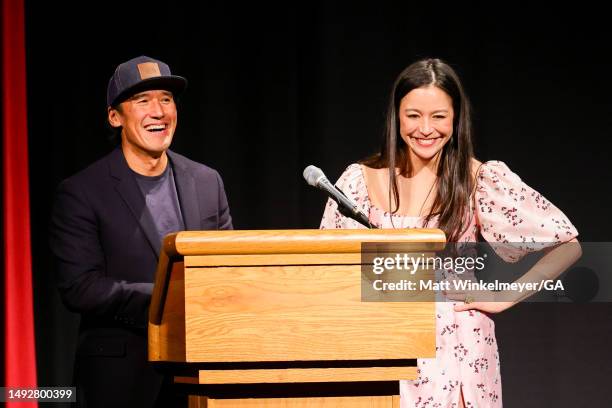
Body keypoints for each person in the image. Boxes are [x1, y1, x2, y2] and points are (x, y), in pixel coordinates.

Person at [319, 58, 581, 407]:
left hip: (461, 351)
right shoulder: (358, 182)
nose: (425, 128)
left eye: (439, 116)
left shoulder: (479, 180)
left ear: (456, 118)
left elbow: (567, 244)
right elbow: (323, 268)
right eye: (413, 115)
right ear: (396, 116)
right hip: (382, 347)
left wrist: (505, 296)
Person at [50, 56, 233, 407]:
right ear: (114, 116)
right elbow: (80, 288)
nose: (158, 111)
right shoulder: (83, 191)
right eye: (142, 100)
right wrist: (165, 297)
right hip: (121, 380)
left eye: (165, 98)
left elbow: (225, 268)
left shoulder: (207, 182)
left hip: (198, 373)